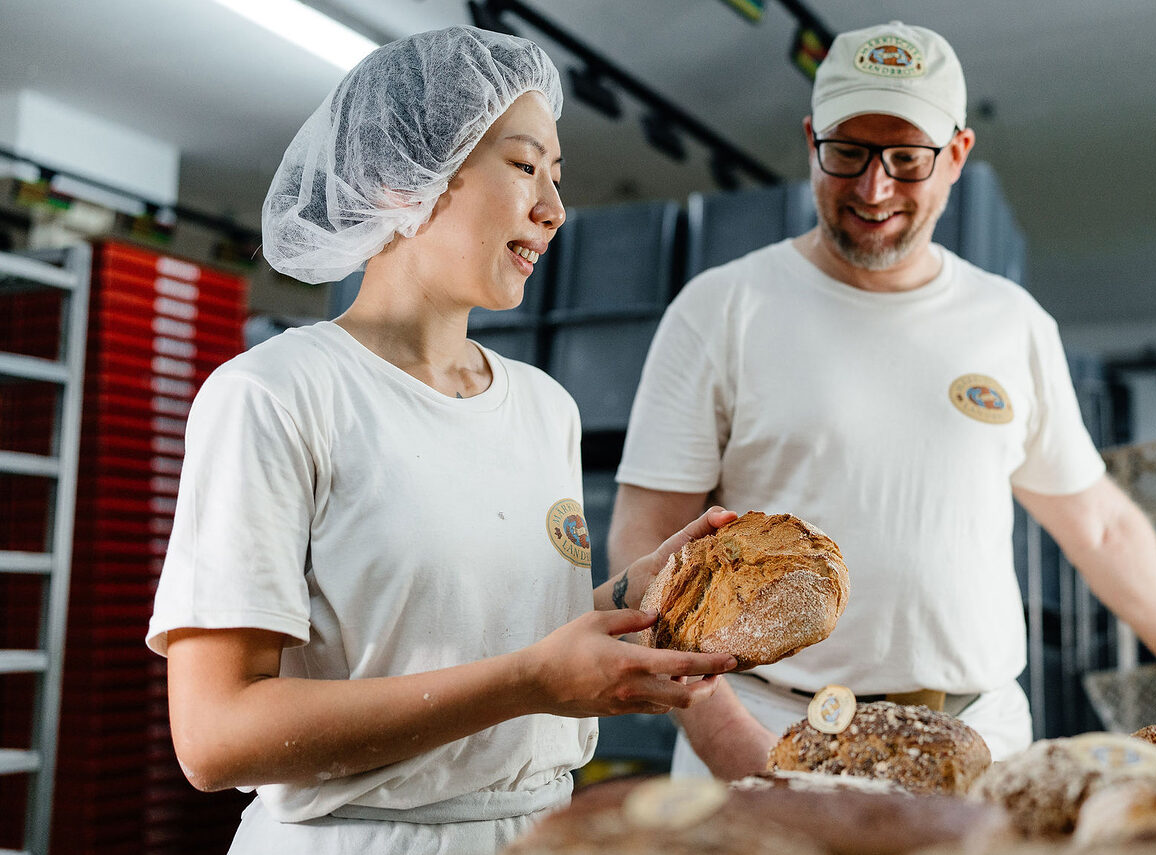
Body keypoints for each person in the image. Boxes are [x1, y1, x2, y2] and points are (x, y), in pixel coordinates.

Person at [607, 20, 1156, 778]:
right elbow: (646, 539)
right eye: (848, 152)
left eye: (907, 158)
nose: (874, 189)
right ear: (811, 141)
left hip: (978, 733)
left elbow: (1100, 526)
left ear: (956, 155)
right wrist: (723, 736)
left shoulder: (1010, 321)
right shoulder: (723, 308)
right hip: (769, 724)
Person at [145, 27, 741, 853]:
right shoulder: (277, 394)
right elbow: (215, 735)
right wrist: (529, 683)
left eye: (558, 175)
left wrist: (633, 594)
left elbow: (483, 633)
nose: (555, 208)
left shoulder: (546, 407)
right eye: (525, 166)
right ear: (401, 179)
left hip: (537, 830)